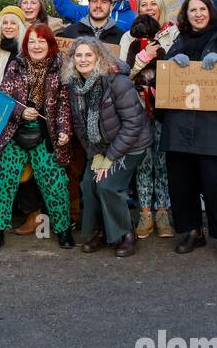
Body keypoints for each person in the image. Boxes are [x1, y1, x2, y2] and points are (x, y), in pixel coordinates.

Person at [157, 0, 217, 261]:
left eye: (202, 9)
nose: (198, 14)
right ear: (185, 15)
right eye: (192, 10)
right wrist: (172, 62)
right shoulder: (179, 40)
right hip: (179, 124)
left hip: (213, 124)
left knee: (216, 182)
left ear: (210, 11)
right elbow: (164, 78)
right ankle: (193, 231)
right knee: (181, 182)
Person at [0, 23, 75, 251]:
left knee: (55, 182)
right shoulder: (16, 65)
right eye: (32, 41)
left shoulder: (61, 67)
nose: (36, 46)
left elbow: (64, 103)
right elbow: (3, 96)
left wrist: (64, 130)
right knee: (3, 180)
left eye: (41, 41)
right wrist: (20, 111)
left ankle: (63, 229)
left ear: (50, 44)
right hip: (16, 130)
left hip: (47, 132)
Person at [65, 38, 153, 256]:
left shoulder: (117, 82)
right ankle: (102, 231)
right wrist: (94, 154)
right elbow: (80, 126)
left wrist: (110, 157)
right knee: (88, 183)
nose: (83, 60)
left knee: (107, 185)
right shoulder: (74, 85)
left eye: (88, 55)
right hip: (101, 147)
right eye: (78, 55)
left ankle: (127, 234)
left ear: (99, 57)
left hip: (131, 145)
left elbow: (133, 124)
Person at [126, 9, 175, 239]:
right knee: (143, 163)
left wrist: (155, 91)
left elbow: (167, 76)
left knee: (162, 162)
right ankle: (145, 212)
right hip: (139, 113)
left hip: (160, 112)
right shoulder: (134, 47)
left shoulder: (161, 48)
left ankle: (162, 210)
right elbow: (127, 73)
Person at [54, 0, 125, 47]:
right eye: (94, 1)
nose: (98, 5)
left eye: (104, 2)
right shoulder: (69, 32)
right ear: (88, 5)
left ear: (111, 7)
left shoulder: (121, 37)